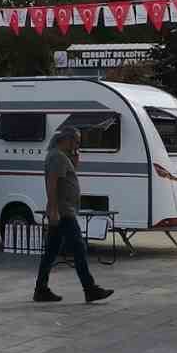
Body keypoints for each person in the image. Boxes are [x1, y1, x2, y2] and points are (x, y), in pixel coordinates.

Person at [33, 127, 113, 304]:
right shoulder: (57, 157)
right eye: (76, 141)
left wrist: (75, 157)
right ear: (66, 139)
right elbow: (52, 183)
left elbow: (68, 175)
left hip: (63, 209)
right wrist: (53, 208)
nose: (78, 144)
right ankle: (90, 288)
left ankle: (41, 289)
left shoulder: (62, 157)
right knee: (78, 247)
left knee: (51, 251)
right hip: (63, 210)